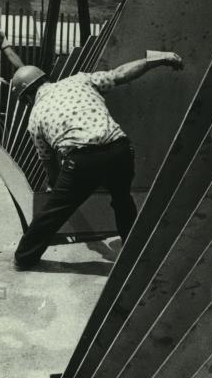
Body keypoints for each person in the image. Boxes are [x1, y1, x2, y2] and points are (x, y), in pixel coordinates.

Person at [11, 51, 183, 269]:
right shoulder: (80, 80)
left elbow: (48, 160)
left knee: (54, 212)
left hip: (82, 161)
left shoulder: (35, 116)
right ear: (44, 79)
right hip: (120, 150)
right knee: (122, 201)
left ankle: (23, 258)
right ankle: (134, 254)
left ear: (27, 97)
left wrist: (55, 185)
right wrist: (157, 59)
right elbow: (120, 74)